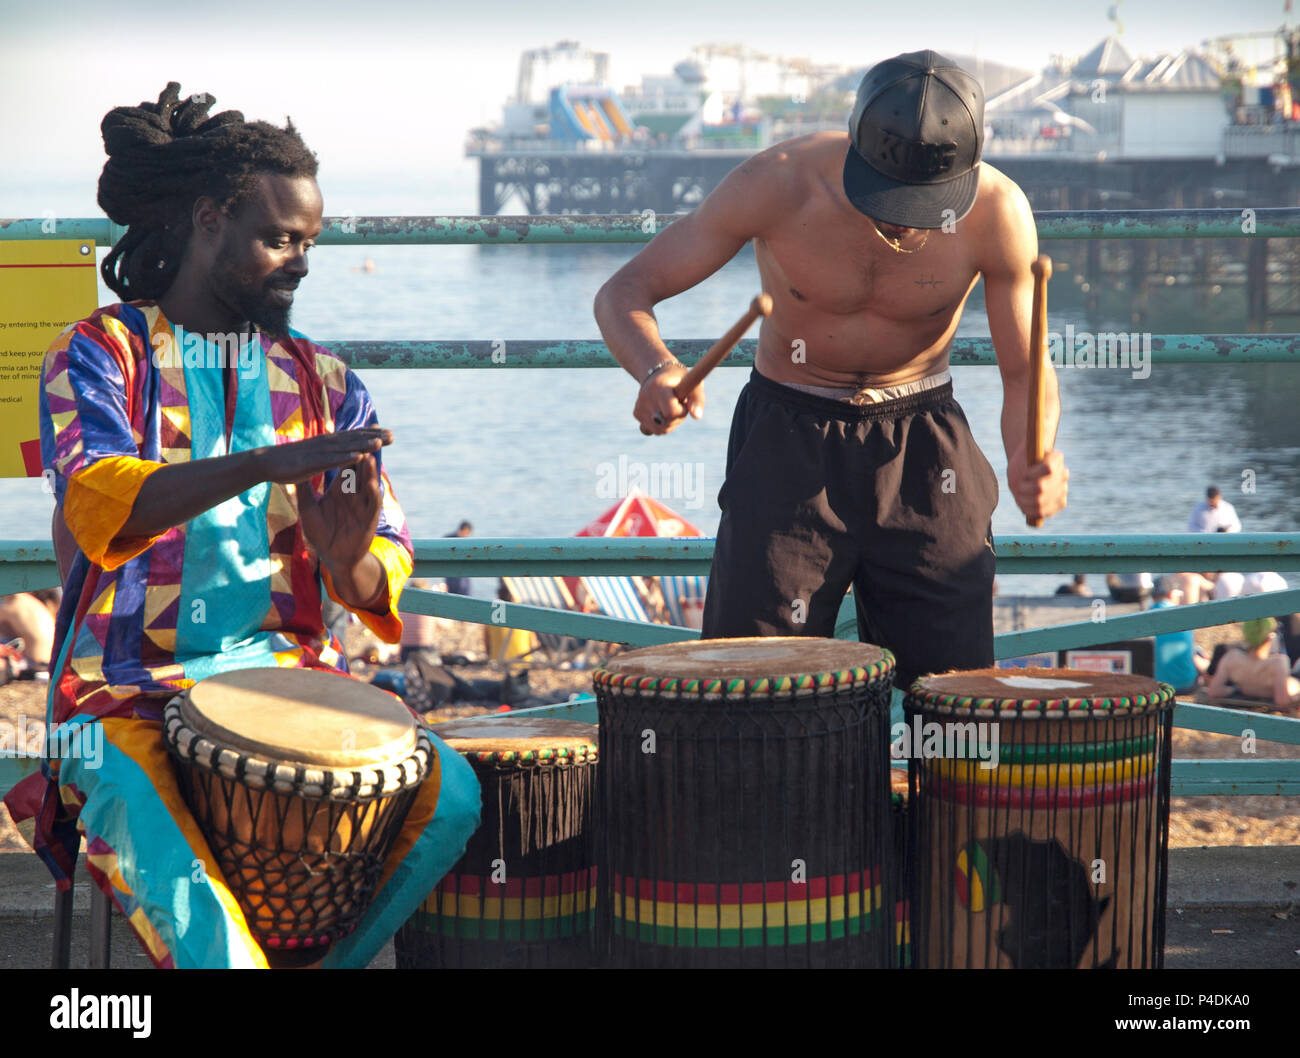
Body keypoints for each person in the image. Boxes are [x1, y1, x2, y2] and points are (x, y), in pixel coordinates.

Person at [2, 84, 478, 969]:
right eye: (279, 238)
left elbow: (382, 560)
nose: (301, 262)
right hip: (120, 695)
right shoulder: (101, 353)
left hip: (292, 681)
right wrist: (263, 465)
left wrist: (349, 563)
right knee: (200, 914)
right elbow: (100, 501)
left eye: (310, 243)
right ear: (209, 219)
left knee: (449, 798)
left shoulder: (326, 382)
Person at [594, 51, 1069, 688]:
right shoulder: (778, 180)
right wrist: (656, 368)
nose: (899, 220)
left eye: (923, 203)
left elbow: (1026, 371)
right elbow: (625, 291)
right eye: (885, 195)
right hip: (788, 437)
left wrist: (1032, 456)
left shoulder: (997, 211)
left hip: (925, 446)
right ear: (854, 149)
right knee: (753, 686)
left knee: (954, 692)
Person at [1206, 617, 1300, 710]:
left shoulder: (1231, 657)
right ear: (1269, 639)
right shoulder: (1278, 663)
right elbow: (1282, 701)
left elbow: (1214, 691)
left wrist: (1236, 689)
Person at [1149, 576, 1207, 695]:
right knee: (1197, 651)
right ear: (1171, 594)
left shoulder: (1143, 616)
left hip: (1157, 686)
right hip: (1186, 685)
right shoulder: (1184, 617)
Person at [443, 519, 473, 596]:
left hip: (455, 575)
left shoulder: (447, 538)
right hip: (455, 576)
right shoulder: (449, 539)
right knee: (464, 595)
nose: (466, 535)